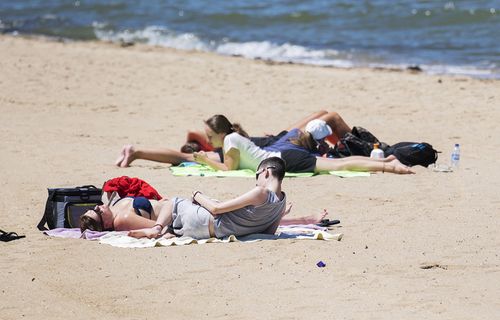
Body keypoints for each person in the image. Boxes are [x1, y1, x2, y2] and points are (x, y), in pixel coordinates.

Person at [80, 160, 328, 236]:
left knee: (179, 200)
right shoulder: (280, 198)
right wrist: (199, 196)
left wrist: (198, 196)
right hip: (204, 224)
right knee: (176, 202)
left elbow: (219, 210)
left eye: (257, 175)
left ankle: (157, 227)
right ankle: (157, 227)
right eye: (98, 211)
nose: (256, 180)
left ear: (265, 172)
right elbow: (267, 230)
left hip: (204, 224)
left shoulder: (262, 193)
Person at [114, 110, 345, 168]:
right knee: (330, 117)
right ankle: (352, 146)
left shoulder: (229, 141)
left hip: (279, 140)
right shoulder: (230, 142)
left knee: (327, 114)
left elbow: (192, 140)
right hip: (280, 142)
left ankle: (136, 152)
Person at [192, 115, 414, 174]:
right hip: (282, 154)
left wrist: (204, 160)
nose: (209, 141)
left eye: (210, 136)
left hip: (283, 160)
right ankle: (386, 161)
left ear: (221, 133)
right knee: (342, 163)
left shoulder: (230, 140)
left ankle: (389, 166)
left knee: (341, 166)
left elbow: (229, 168)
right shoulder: (234, 137)